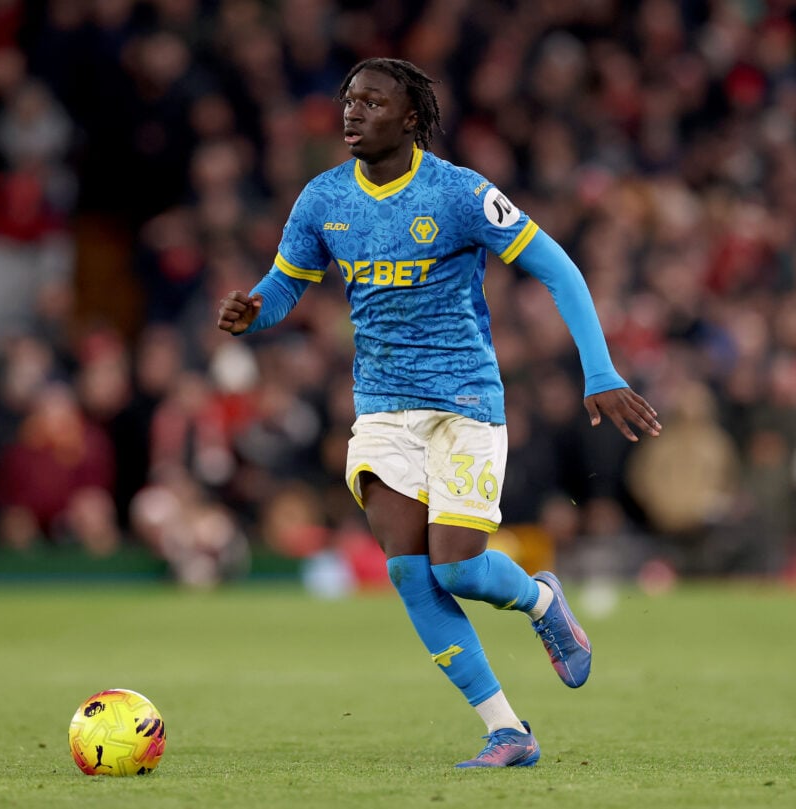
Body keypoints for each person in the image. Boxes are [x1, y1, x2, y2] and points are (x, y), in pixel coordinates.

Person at [216, 57, 661, 769]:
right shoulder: (323, 198)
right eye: (348, 100)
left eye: (371, 102)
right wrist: (254, 308)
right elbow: (286, 282)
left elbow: (558, 267)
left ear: (411, 118)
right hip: (384, 409)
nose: (352, 113)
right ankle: (507, 729)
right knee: (408, 571)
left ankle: (542, 603)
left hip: (463, 403)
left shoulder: (457, 193)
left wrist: (599, 370)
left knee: (456, 569)